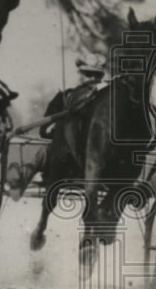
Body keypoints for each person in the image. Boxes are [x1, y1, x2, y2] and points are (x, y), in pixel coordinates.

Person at [6, 53, 108, 200]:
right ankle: (19, 181)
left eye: (96, 75)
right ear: (81, 75)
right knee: (42, 152)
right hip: (62, 159)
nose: (92, 79)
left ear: (101, 77)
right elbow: (44, 130)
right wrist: (60, 130)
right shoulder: (64, 98)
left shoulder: (106, 101)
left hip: (93, 162)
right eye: (88, 74)